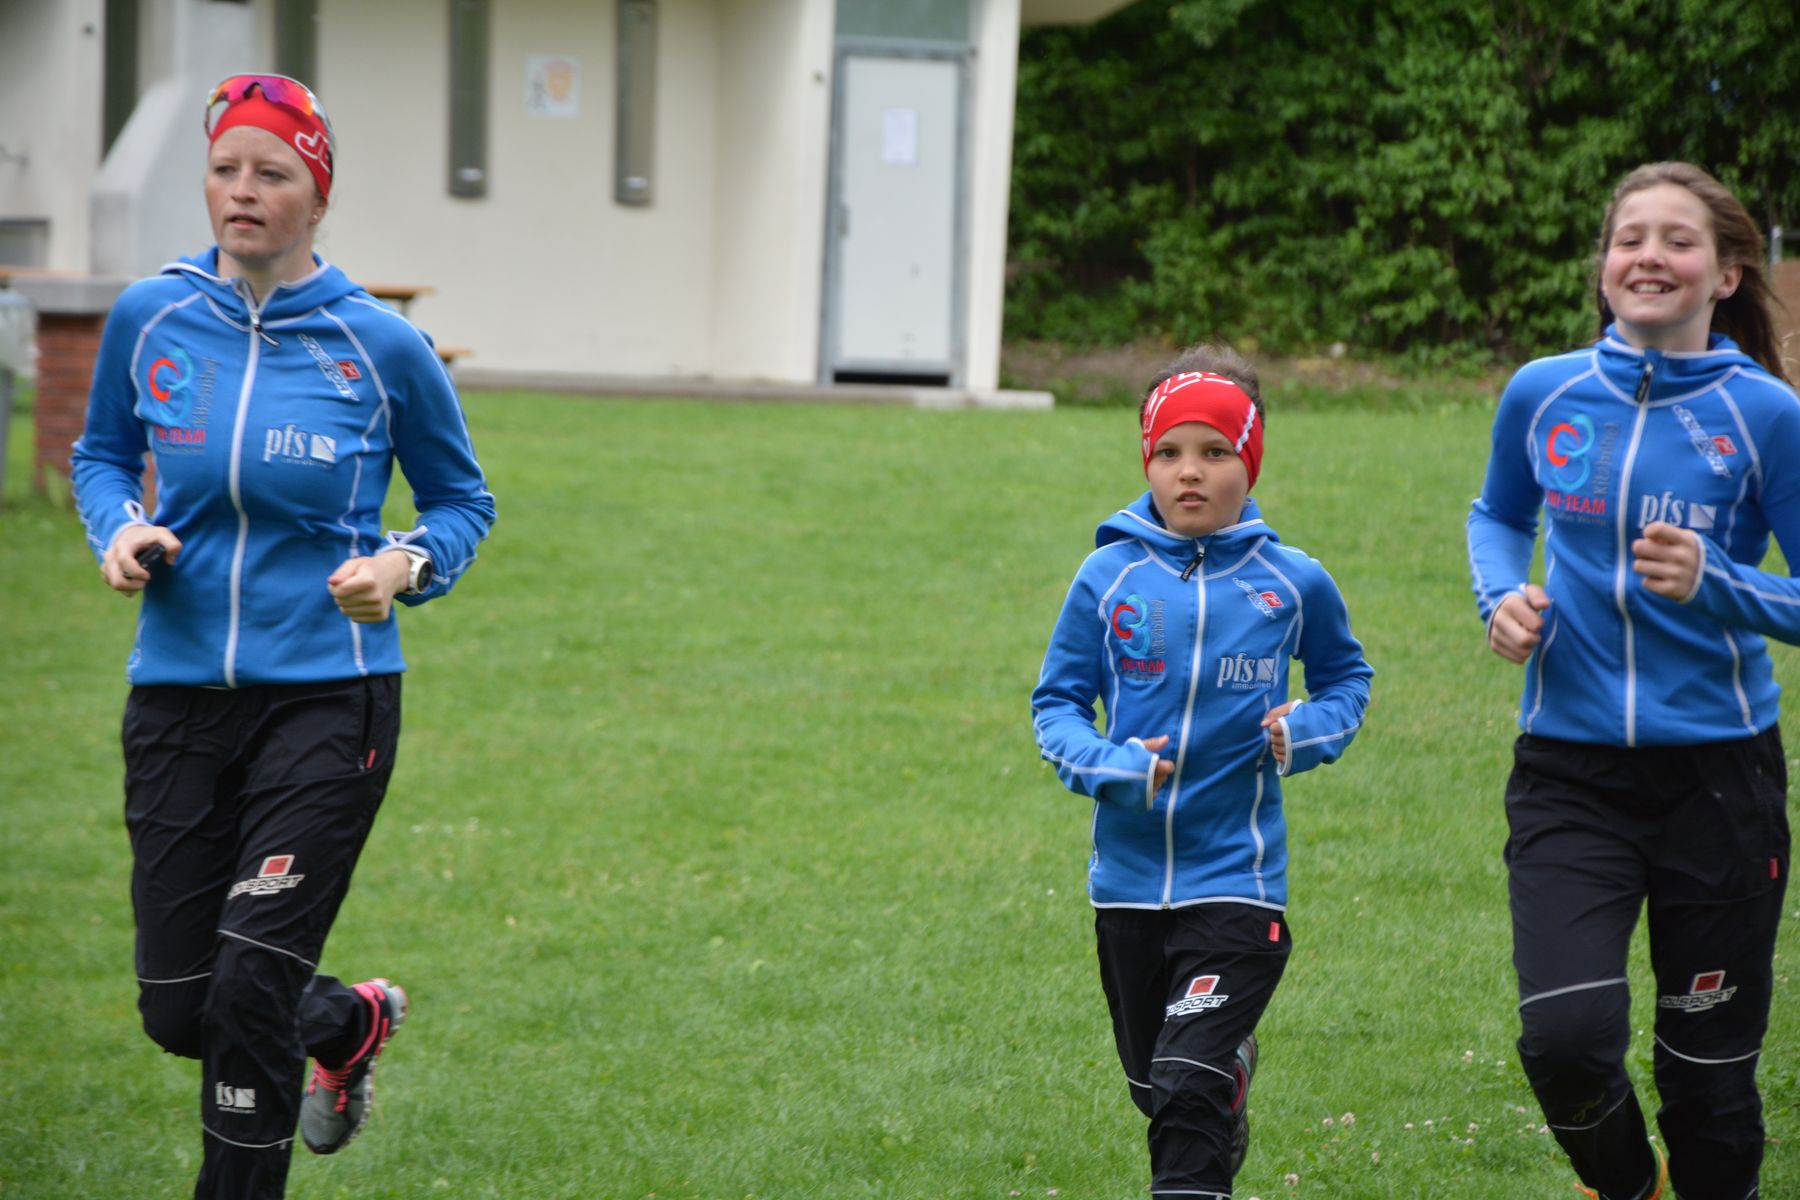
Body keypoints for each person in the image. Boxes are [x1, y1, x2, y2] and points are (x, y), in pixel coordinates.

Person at [70, 74, 496, 1199]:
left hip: (328, 700)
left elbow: (463, 502)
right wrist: (119, 530)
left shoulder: (381, 345)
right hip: (176, 697)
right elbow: (101, 455)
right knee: (181, 1010)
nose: (243, 192)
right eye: (225, 170)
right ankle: (346, 1021)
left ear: (319, 196)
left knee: (248, 987)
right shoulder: (150, 317)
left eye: (272, 174)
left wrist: (402, 566)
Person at [1468, 161, 1797, 1200]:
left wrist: (1720, 582)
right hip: (1569, 775)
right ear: (1605, 266)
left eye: (1678, 240)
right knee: (1564, 1041)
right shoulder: (1544, 391)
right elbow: (1497, 515)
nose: (1649, 255)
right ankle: (1627, 1186)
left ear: (1727, 275)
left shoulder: (1767, 416)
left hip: (1721, 784)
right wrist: (1499, 597)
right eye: (1629, 238)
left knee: (1709, 1083)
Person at [1031, 345, 1373, 1197]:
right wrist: (1114, 766)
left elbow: (1347, 681)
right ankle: (1230, 1072)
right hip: (1128, 886)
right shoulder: (1108, 578)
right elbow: (1056, 708)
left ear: (1250, 461)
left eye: (1215, 452)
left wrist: (1305, 730)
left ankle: (1214, 1076)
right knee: (1158, 1087)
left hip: (1238, 881)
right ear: (1146, 462)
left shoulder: (1291, 583)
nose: (1190, 472)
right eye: (1169, 452)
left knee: (1185, 1082)